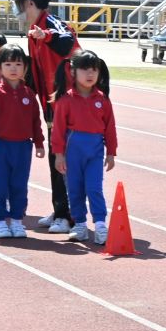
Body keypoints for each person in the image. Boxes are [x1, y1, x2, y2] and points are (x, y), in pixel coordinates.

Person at [10, 0, 80, 234]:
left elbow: (68, 43)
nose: (15, 10)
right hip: (50, 105)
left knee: (64, 158)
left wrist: (47, 36)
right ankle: (60, 208)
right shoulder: (33, 30)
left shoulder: (51, 24)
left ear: (29, 3)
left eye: (17, 4)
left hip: (68, 105)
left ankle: (70, 215)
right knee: (54, 157)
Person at [51, 51, 117, 245]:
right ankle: (80, 224)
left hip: (94, 153)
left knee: (94, 188)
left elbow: (110, 128)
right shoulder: (65, 100)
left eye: (94, 70)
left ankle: (100, 225)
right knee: (75, 190)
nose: (90, 74)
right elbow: (58, 130)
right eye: (85, 69)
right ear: (73, 72)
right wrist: (59, 155)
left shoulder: (103, 100)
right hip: (72, 153)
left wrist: (111, 152)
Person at [0, 44, 43, 239]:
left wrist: (39, 143)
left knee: (19, 185)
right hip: (0, 147)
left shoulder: (29, 94)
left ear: (25, 67)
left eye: (18, 64)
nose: (13, 68)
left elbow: (35, 121)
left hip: (23, 147)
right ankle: (0, 221)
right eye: (8, 64)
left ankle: (17, 220)